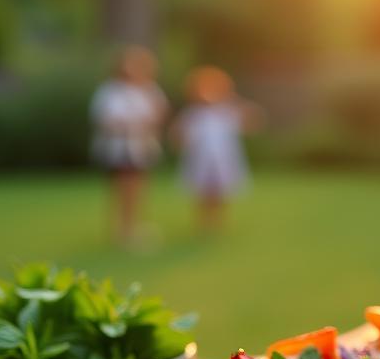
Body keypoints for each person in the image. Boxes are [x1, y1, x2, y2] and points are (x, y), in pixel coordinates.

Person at [89, 46, 168, 246]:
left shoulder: (149, 89)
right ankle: (121, 229)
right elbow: (104, 119)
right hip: (119, 147)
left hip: (142, 145)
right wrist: (129, 124)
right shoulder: (110, 90)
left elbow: (160, 113)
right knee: (123, 187)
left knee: (139, 187)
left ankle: (134, 226)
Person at [170, 66, 260, 232]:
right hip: (200, 160)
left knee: (222, 190)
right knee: (202, 191)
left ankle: (219, 222)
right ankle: (204, 222)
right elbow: (178, 136)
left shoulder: (227, 111)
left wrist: (234, 100)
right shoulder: (192, 114)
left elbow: (252, 124)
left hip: (223, 160)